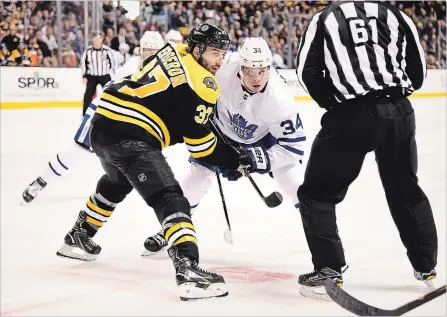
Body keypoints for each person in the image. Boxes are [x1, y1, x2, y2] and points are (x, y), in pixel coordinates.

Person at [56, 24, 249, 301]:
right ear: (196, 50)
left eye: (223, 53)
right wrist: (233, 160)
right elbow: (201, 146)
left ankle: (80, 234)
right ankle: (188, 269)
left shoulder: (175, 50)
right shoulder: (203, 85)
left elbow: (179, 103)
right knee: (170, 197)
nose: (219, 60)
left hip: (102, 125)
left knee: (117, 180)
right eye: (214, 53)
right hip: (131, 134)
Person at [295, 0, 437, 299]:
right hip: (399, 112)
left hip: (352, 114)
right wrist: (393, 96)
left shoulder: (325, 18)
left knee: (317, 194)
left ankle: (329, 269)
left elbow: (306, 72)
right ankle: (427, 266)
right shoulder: (396, 14)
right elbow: (419, 72)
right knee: (405, 189)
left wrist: (336, 104)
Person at [142, 37, 306, 256]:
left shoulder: (280, 99)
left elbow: (293, 147)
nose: (256, 78)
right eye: (249, 71)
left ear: (270, 67)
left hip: (261, 138)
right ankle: (169, 229)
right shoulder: (224, 69)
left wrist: (257, 159)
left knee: (292, 182)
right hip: (219, 131)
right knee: (195, 181)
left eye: (262, 71)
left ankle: (319, 236)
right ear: (240, 67)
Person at [21, 31, 165, 204]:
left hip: (121, 117)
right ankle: (41, 181)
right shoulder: (133, 67)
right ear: (141, 50)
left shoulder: (156, 70)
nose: (152, 55)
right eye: (149, 50)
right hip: (102, 111)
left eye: (155, 51)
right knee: (78, 151)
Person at [81, 30, 116, 115]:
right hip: (92, 75)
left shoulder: (107, 50)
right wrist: (84, 76)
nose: (97, 40)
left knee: (110, 93)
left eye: (99, 38)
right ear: (92, 39)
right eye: (95, 38)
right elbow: (83, 63)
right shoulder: (88, 51)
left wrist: (113, 74)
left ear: (102, 39)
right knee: (88, 95)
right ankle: (85, 113)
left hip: (104, 75)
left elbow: (113, 62)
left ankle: (112, 112)